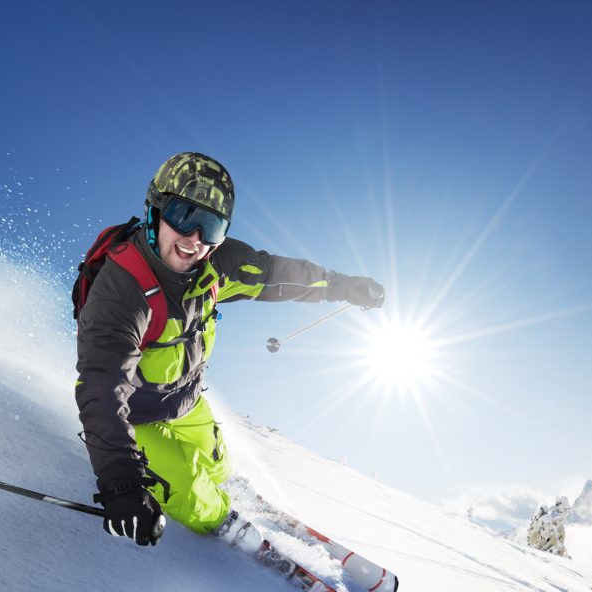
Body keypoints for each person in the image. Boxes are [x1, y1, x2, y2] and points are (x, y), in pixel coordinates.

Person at [75, 152, 384, 546]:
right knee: (187, 485)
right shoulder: (122, 292)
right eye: (185, 216)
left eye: (211, 225)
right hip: (134, 415)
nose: (195, 240)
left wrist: (344, 286)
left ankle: (228, 491)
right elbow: (101, 388)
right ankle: (226, 527)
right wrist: (120, 481)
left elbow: (276, 277)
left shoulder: (215, 265)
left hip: (186, 399)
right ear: (155, 209)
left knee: (218, 462)